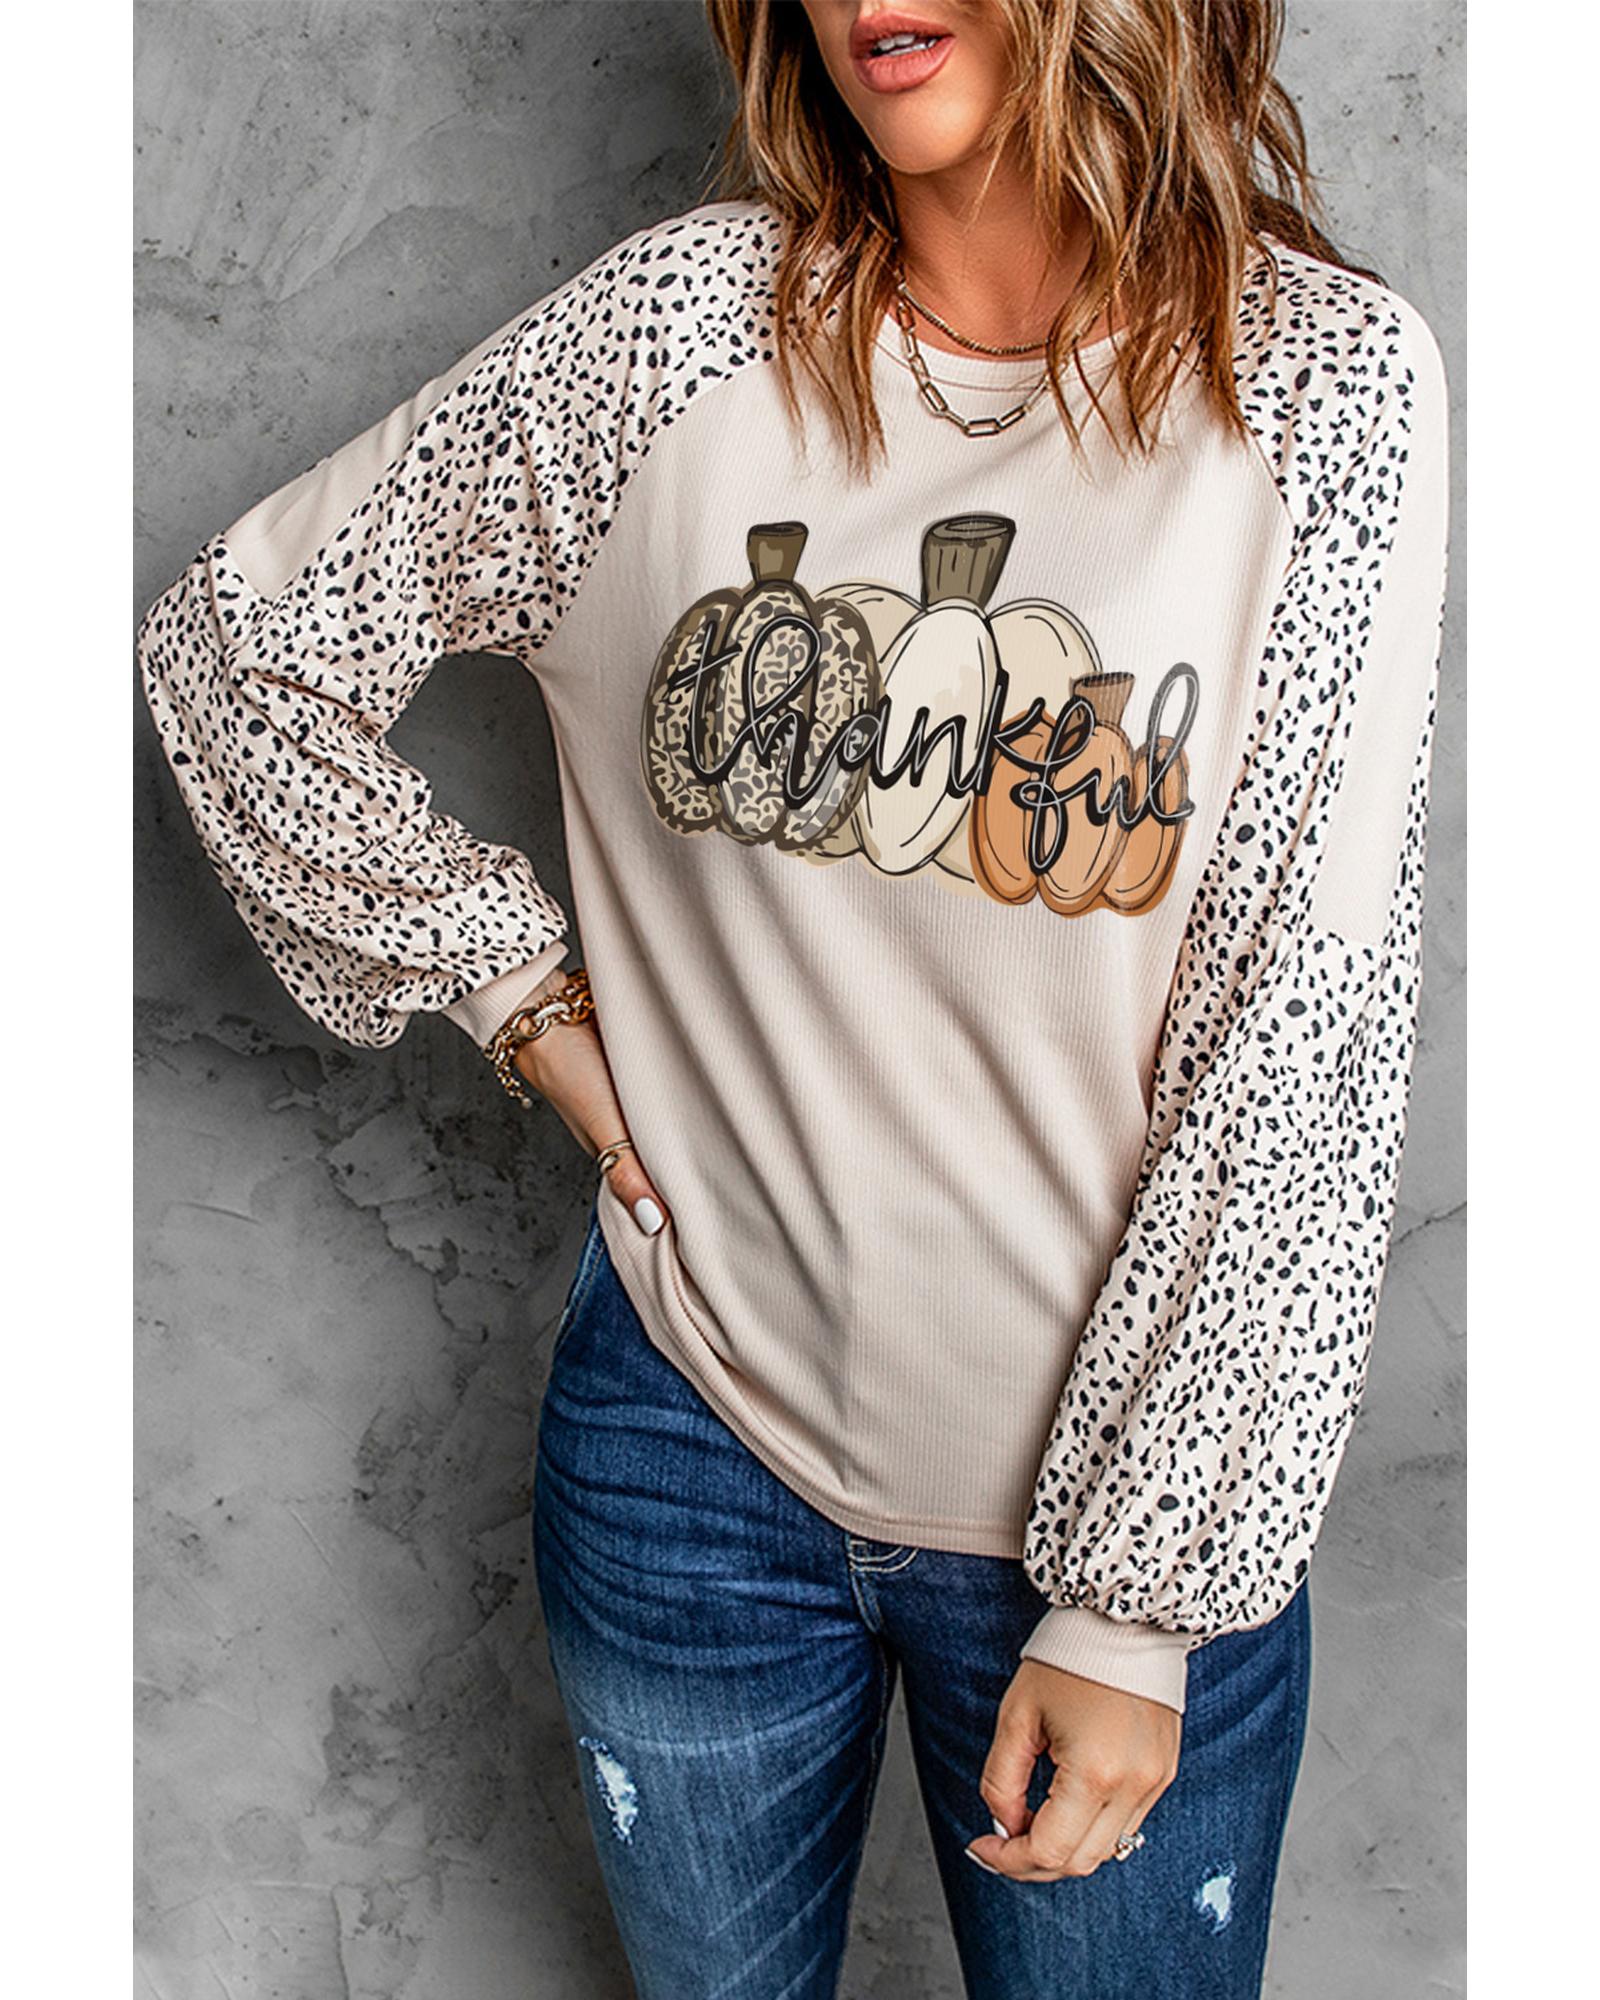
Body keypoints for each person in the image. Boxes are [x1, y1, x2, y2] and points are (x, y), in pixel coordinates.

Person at [136, 0, 1451, 1993]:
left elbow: (1306, 1029)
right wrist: (516, 995)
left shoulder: (1318, 388)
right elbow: (242, 646)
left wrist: (1135, 1601)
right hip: (686, 1454)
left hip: (1117, 1505)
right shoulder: (673, 339)